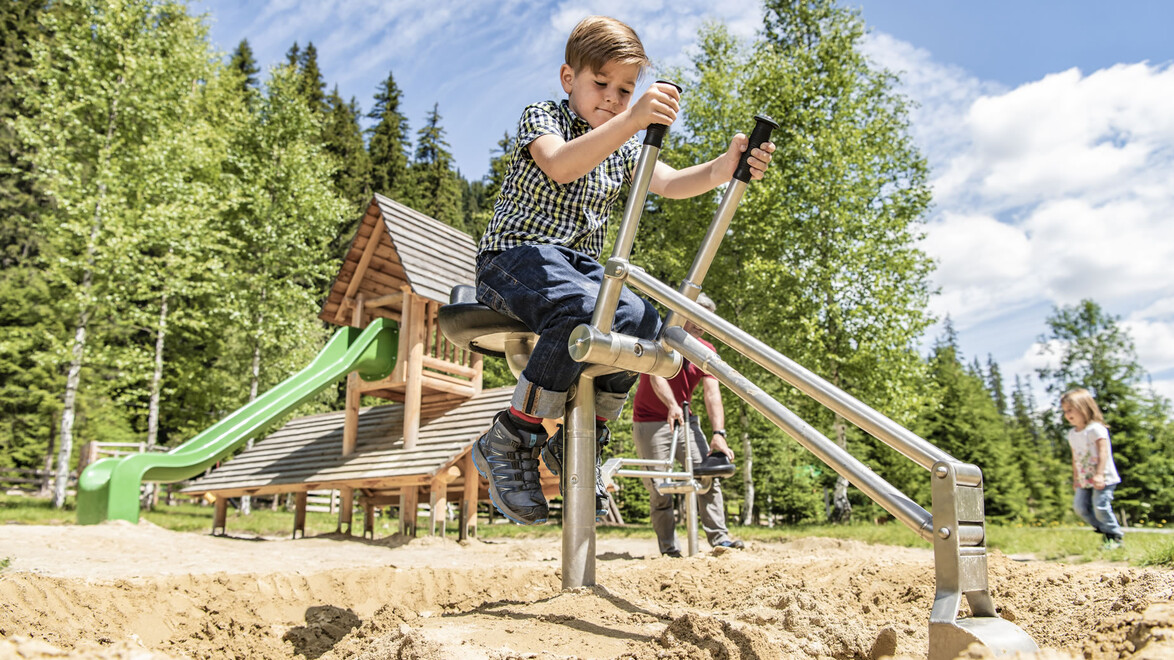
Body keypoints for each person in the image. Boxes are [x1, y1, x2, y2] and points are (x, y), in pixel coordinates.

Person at [471, 15, 775, 525]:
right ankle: (512, 434)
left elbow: (671, 182)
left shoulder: (625, 145)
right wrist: (632, 120)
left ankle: (578, 437)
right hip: (515, 258)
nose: (612, 98)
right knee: (581, 308)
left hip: (580, 270)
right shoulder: (544, 116)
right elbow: (562, 164)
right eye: (601, 84)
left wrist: (725, 168)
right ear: (570, 79)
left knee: (644, 324)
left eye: (625, 90)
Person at [631, 293, 743, 556]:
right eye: (695, 317)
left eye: (705, 320)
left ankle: (720, 540)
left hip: (686, 422)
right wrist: (671, 404)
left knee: (707, 475)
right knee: (660, 489)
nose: (700, 325)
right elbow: (656, 376)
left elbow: (712, 393)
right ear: (682, 315)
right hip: (650, 421)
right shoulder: (662, 339)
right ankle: (669, 550)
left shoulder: (706, 351)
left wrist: (719, 434)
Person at [1060, 388, 1125, 549]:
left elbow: (1104, 452)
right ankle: (1105, 530)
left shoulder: (1096, 429)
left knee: (1100, 505)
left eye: (1070, 409)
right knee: (1080, 507)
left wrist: (1100, 474)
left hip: (1103, 477)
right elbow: (1075, 457)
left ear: (1084, 407)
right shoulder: (1072, 434)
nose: (1067, 414)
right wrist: (1076, 479)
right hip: (1084, 478)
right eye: (1064, 411)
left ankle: (1114, 536)